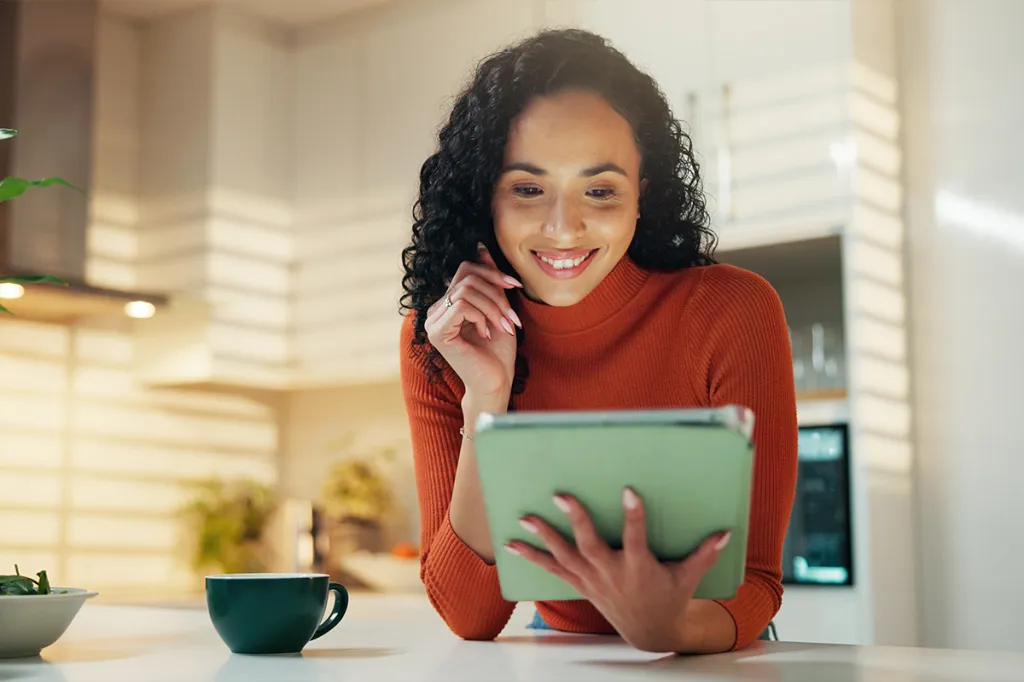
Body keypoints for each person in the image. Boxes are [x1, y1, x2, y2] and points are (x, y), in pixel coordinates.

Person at [398, 28, 798, 654]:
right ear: (485, 198)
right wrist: (486, 398)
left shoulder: (732, 310)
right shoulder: (446, 337)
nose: (563, 228)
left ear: (644, 195)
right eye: (528, 189)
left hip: (709, 646)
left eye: (601, 190)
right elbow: (470, 614)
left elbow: (754, 581)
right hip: (556, 651)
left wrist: (671, 628)